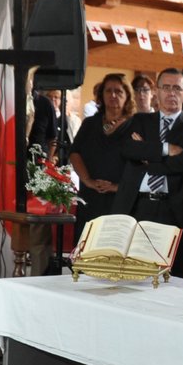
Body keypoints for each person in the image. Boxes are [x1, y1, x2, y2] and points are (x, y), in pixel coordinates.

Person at [112, 68, 183, 266]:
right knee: (133, 267)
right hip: (137, 205)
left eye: (177, 88)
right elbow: (127, 149)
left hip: (175, 207)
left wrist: (147, 157)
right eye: (166, 87)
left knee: (172, 271)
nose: (171, 93)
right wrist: (166, 149)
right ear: (157, 91)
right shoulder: (140, 120)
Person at [69, 72, 135, 244]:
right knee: (86, 249)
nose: (113, 95)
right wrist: (88, 180)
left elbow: (142, 165)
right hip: (90, 197)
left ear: (127, 96)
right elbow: (75, 153)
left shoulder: (136, 125)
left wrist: (116, 187)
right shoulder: (90, 123)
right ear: (101, 95)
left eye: (119, 91)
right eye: (108, 91)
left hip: (120, 200)